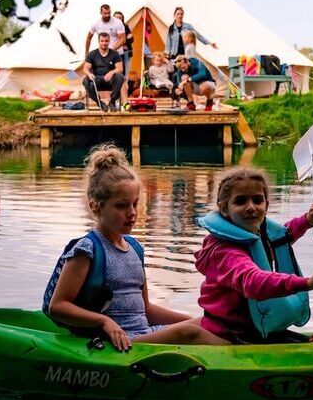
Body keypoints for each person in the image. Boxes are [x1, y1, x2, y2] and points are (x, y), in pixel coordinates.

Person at [42, 143, 230, 351]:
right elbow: (57, 307)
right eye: (121, 206)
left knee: (206, 322)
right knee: (189, 332)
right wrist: (103, 321)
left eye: (135, 203)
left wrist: (193, 320)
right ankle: (242, 359)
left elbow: (145, 309)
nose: (132, 213)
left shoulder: (134, 248)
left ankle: (252, 348)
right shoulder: (87, 250)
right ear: (95, 205)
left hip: (144, 334)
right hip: (116, 342)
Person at [195, 166, 313, 344]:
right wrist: (306, 283)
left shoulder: (255, 233)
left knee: (306, 342)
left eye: (257, 200)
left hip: (252, 327)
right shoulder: (225, 251)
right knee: (304, 345)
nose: (251, 207)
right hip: (229, 332)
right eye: (240, 201)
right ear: (224, 209)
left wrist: (307, 220)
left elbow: (279, 238)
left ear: (266, 205)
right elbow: (253, 281)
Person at [83, 32, 124, 111]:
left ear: (109, 41)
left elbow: (120, 68)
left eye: (106, 41)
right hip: (97, 80)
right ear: (98, 41)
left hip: (110, 80)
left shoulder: (114, 54)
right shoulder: (92, 54)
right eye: (102, 41)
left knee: (120, 77)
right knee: (85, 81)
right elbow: (85, 69)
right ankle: (100, 103)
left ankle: (112, 101)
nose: (104, 43)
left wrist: (111, 72)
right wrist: (89, 74)